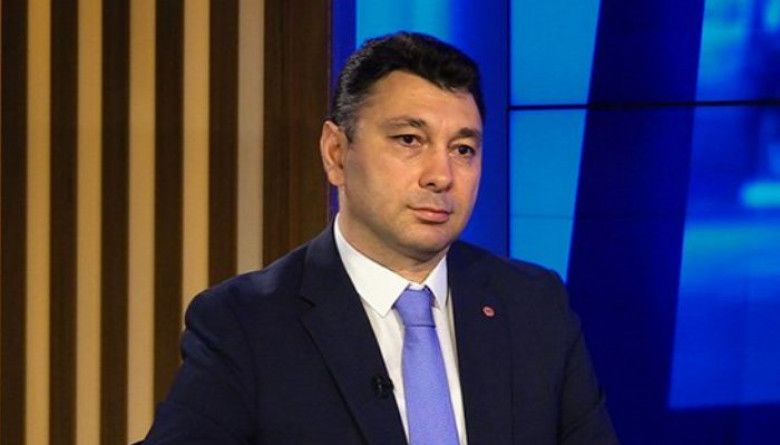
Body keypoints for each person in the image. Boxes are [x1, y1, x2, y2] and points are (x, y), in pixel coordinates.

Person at [144, 31, 618, 444]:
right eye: (410, 140)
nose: (441, 175)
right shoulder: (245, 324)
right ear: (336, 153)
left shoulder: (534, 306)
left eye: (463, 149)